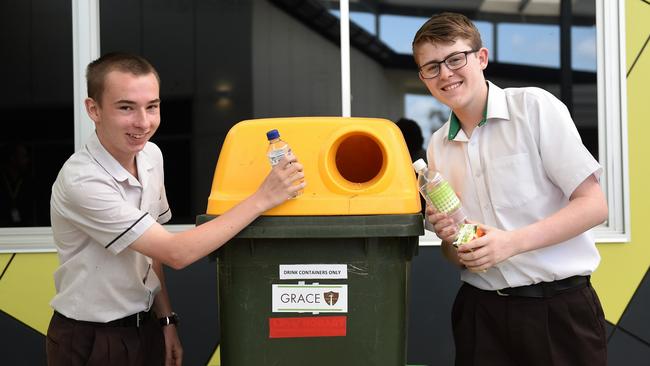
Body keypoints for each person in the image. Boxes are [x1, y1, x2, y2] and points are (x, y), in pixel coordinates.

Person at [46, 52, 305, 366]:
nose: (143, 122)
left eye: (152, 107)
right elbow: (175, 252)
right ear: (93, 109)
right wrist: (263, 198)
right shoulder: (82, 180)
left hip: (145, 328)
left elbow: (151, 251)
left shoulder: (151, 156)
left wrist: (165, 319)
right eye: (126, 107)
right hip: (90, 338)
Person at [412, 13, 608, 366]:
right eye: (431, 67)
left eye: (455, 59)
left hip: (557, 312)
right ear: (423, 77)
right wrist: (451, 239)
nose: (445, 74)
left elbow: (594, 206)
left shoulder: (534, 107)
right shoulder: (439, 146)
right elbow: (458, 248)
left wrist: (510, 243)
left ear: (482, 58)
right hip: (480, 312)